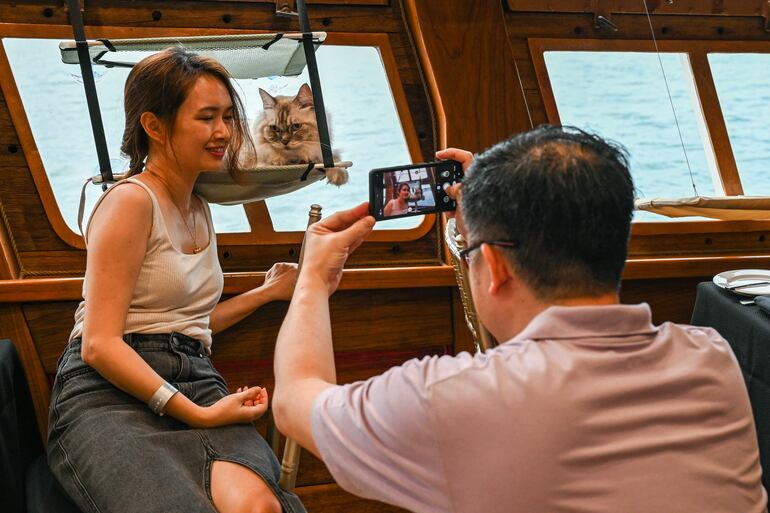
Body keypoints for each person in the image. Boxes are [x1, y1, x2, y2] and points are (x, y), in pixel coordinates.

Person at [271, 125, 767, 513]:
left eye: (472, 252)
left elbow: (294, 401)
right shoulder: (710, 357)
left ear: (499, 266)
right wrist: (486, 227)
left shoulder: (449, 399)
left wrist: (313, 276)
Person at [47, 48, 305, 513]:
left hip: (194, 374)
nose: (224, 132)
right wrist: (199, 414)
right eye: (207, 118)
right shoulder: (130, 202)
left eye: (228, 116)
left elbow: (190, 320)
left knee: (260, 507)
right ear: (154, 126)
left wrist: (267, 293)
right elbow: (99, 344)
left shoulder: (199, 206)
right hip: (107, 391)